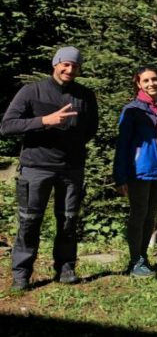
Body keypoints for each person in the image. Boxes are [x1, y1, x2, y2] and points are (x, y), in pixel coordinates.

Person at [2, 47, 98, 291]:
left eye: (75, 66)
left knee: (68, 221)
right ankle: (21, 274)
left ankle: (65, 268)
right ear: (56, 64)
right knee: (29, 222)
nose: (69, 69)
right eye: (65, 64)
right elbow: (7, 126)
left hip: (71, 169)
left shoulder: (85, 95)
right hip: (36, 168)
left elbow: (90, 129)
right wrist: (45, 121)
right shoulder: (31, 91)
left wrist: (71, 147)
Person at [112, 66, 157, 278]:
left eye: (155, 79)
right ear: (138, 84)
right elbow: (122, 145)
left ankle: (143, 257)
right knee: (139, 213)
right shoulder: (132, 110)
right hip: (139, 170)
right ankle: (136, 261)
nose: (151, 84)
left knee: (151, 215)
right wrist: (120, 176)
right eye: (146, 80)